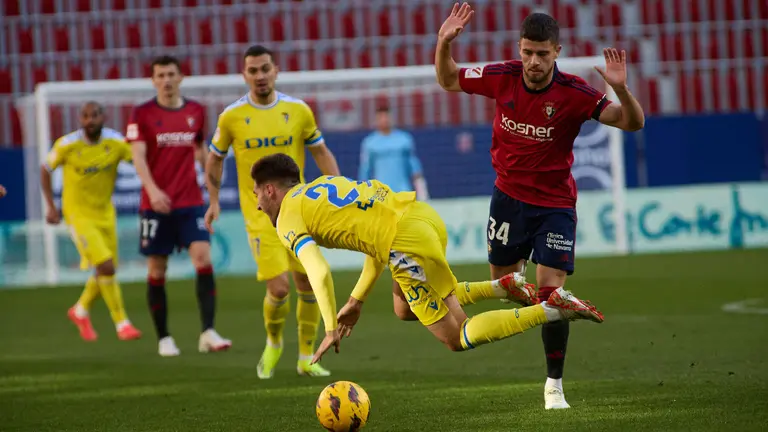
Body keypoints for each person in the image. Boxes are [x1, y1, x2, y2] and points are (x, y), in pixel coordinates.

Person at [435, 3, 645, 409]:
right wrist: (444, 42)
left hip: (554, 206)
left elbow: (631, 122)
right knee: (508, 286)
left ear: (557, 52)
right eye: (527, 52)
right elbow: (447, 79)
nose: (533, 61)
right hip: (507, 200)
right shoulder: (501, 76)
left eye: (542, 54)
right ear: (519, 48)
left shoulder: (574, 93)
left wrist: (619, 87)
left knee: (551, 292)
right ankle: (548, 301)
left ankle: (554, 387)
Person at [249, 154, 603, 370]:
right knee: (404, 309)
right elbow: (376, 246)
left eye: (257, 197)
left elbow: (318, 270)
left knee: (458, 334)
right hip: (421, 217)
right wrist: (356, 300)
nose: (259, 206)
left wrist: (329, 327)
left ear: (269, 190)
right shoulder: (321, 187)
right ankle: (500, 286)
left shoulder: (286, 219)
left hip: (405, 244)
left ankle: (551, 309)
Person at [204, 45, 341, 379]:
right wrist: (213, 199)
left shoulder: (298, 111)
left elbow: (321, 151)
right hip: (261, 214)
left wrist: (338, 189)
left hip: (298, 210)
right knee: (278, 289)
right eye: (253, 70)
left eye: (265, 69)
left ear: (275, 70)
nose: (260, 76)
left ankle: (306, 357)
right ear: (244, 75)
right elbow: (215, 158)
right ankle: (274, 343)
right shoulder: (231, 117)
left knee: (306, 283)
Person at [126, 55, 231, 357]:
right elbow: (138, 157)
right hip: (155, 205)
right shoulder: (142, 113)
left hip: (190, 201)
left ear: (181, 77)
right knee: (158, 270)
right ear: (153, 80)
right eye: (160, 75)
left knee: (203, 258)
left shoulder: (196, 111)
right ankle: (164, 338)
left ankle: (208, 332)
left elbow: (200, 151)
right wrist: (153, 191)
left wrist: (211, 189)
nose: (166, 80)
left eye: (171, 74)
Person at [40, 101, 142, 342]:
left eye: (94, 115)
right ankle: (122, 323)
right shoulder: (67, 145)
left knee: (106, 269)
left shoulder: (115, 142)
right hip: (78, 215)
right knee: (106, 266)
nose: (90, 120)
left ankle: (80, 310)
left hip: (106, 213)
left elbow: (138, 161)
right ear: (80, 119)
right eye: (86, 116)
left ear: (103, 117)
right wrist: (51, 206)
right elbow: (45, 169)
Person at [358, 105, 429, 200]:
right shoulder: (370, 143)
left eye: (386, 117)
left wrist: (421, 189)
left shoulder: (404, 139)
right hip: (381, 192)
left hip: (403, 190)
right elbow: (365, 169)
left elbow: (413, 165)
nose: (384, 120)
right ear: (376, 120)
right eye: (381, 117)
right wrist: (362, 193)